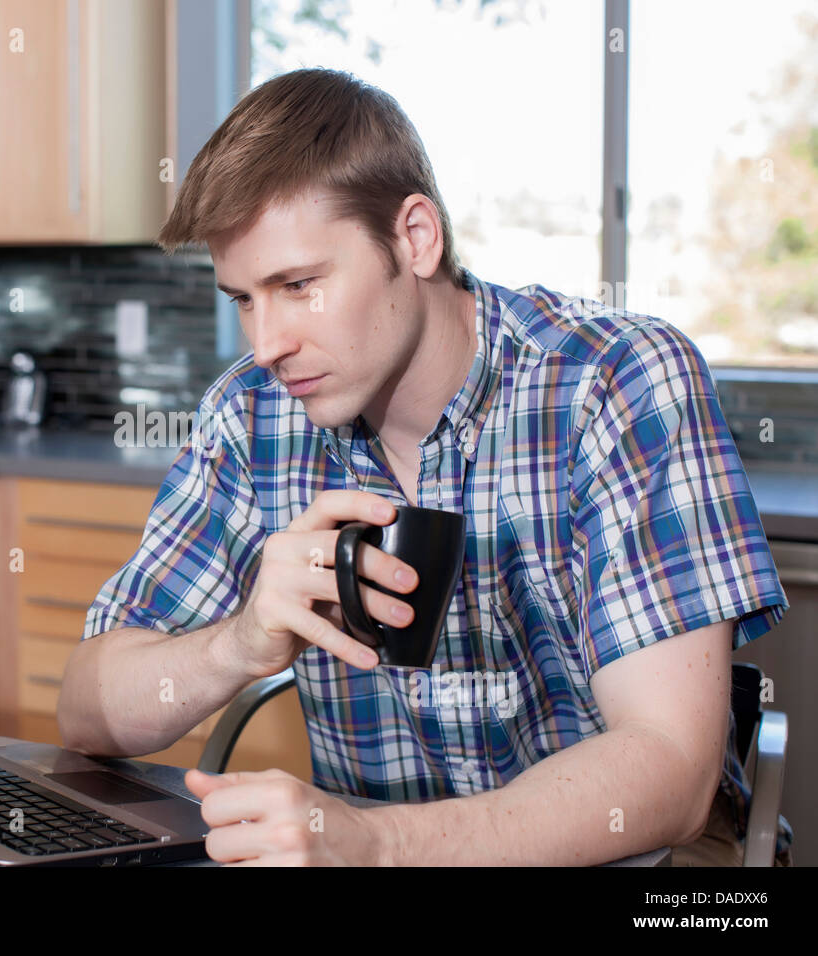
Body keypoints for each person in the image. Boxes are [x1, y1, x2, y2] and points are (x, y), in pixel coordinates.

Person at [56, 67, 792, 867]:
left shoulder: (615, 383)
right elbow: (88, 711)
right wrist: (242, 642)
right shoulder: (250, 417)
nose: (264, 344)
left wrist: (376, 844)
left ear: (415, 238)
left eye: (298, 286)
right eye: (243, 298)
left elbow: (671, 770)